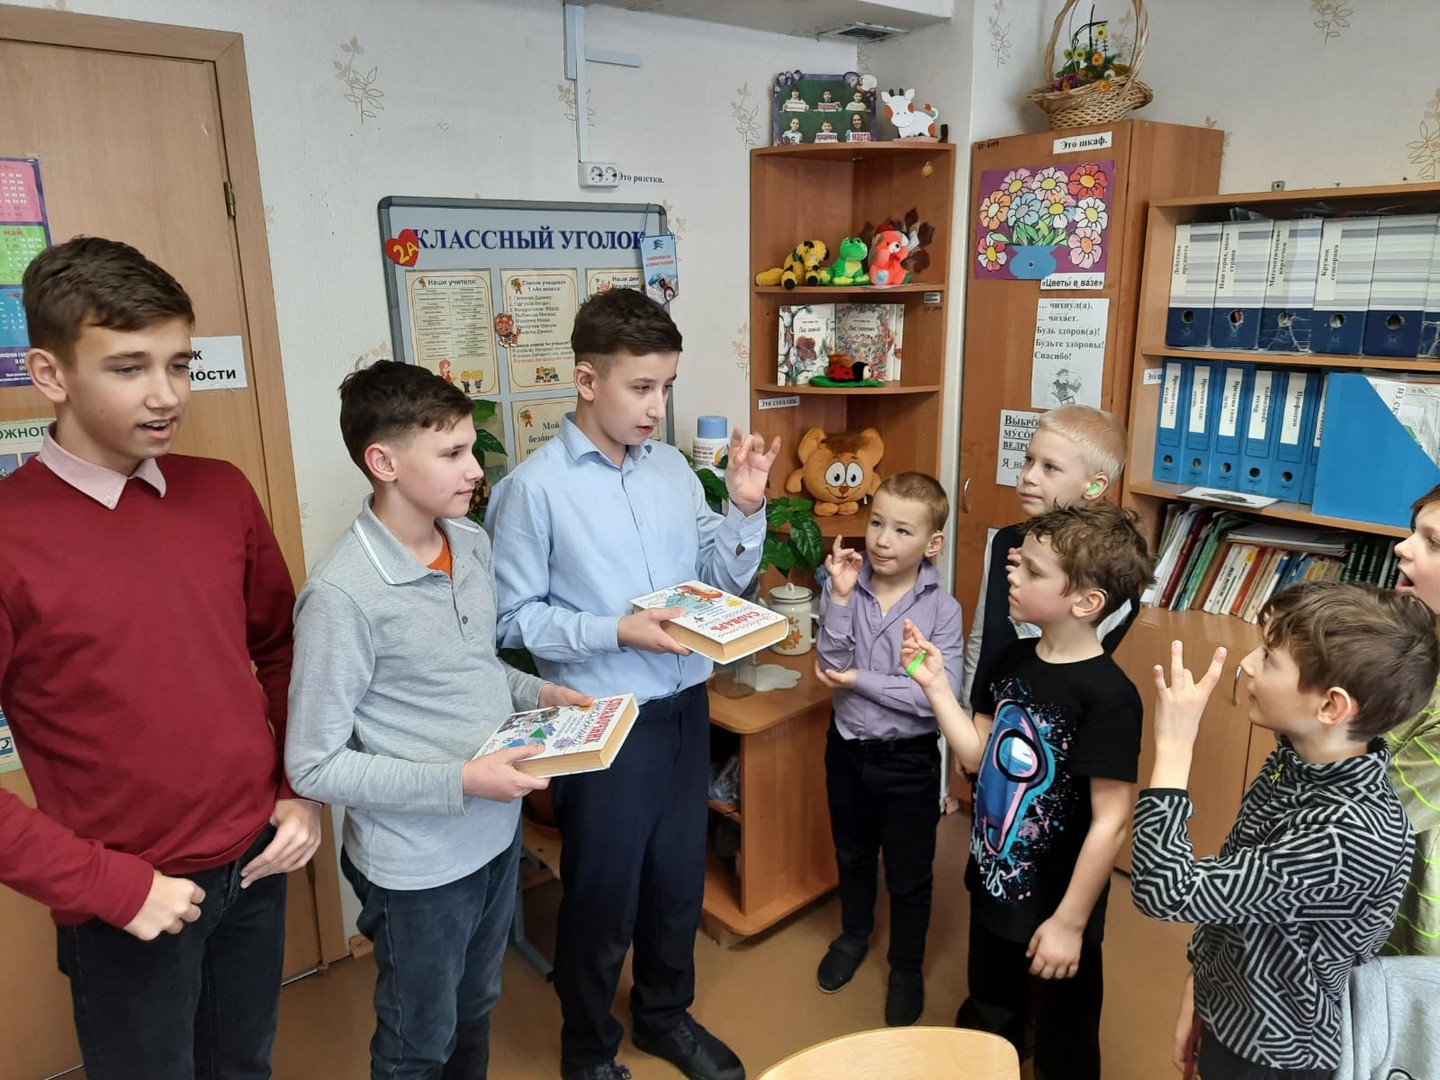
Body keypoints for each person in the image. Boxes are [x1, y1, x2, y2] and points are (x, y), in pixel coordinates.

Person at [0, 236, 322, 1077]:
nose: (167, 394)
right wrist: (110, 887)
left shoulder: (221, 491)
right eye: (129, 368)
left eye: (179, 363)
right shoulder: (9, 535)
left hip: (258, 860)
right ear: (50, 373)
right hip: (127, 897)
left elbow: (283, 648)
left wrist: (298, 789)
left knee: (243, 1064)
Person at [485, 288, 779, 1080]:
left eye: (666, 387)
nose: (657, 407)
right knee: (602, 897)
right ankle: (586, 1049)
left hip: (685, 709)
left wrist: (744, 508)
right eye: (641, 387)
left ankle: (663, 1017)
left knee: (678, 881)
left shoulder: (673, 470)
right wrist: (615, 628)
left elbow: (717, 578)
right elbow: (511, 621)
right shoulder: (534, 490)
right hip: (603, 720)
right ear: (587, 380)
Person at [285, 360, 591, 1079]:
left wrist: (539, 696)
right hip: (417, 868)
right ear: (383, 462)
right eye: (452, 453)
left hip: (494, 835)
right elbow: (313, 765)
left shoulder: (471, 543)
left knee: (476, 1005)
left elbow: (472, 670)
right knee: (417, 1042)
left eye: (470, 449)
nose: (475, 470)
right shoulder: (341, 596)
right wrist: (462, 780)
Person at [1130, 582, 1437, 1079]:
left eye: (1269, 659)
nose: (1248, 664)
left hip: (1273, 1052)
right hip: (1230, 1010)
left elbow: (1165, 890)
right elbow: (1235, 889)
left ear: (1332, 707)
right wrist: (1200, 985)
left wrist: (1174, 748)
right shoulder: (1294, 760)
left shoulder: (1351, 834)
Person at [901, 502, 1153, 1079]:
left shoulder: (1110, 698)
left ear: (1086, 602)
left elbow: (1111, 822)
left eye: (1034, 571)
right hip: (993, 886)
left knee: (1064, 1042)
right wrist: (934, 684)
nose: (1012, 575)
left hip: (1057, 909)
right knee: (991, 1011)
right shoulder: (1010, 660)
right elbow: (975, 756)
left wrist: (1069, 924)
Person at [812, 472, 964, 1027]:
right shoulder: (848, 586)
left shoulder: (942, 610)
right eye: (877, 522)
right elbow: (830, 663)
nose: (881, 539)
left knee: (909, 872)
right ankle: (854, 935)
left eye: (902, 530)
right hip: (847, 750)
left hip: (909, 761)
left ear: (932, 543)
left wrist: (861, 680)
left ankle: (906, 966)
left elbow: (934, 699)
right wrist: (838, 597)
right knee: (852, 854)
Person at [962, 404, 1134, 712]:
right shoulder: (1004, 542)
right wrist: (968, 706)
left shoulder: (1109, 569)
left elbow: (1071, 656)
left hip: (1051, 720)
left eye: (1050, 467)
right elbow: (983, 635)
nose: (1029, 476)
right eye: (1029, 460)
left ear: (1095, 486)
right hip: (988, 713)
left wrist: (1034, 581)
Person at [1381, 483, 1440, 957]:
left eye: (1433, 542)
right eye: (1413, 531)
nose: (1403, 547)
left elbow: (1370, 818)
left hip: (1403, 933)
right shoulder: (1412, 643)